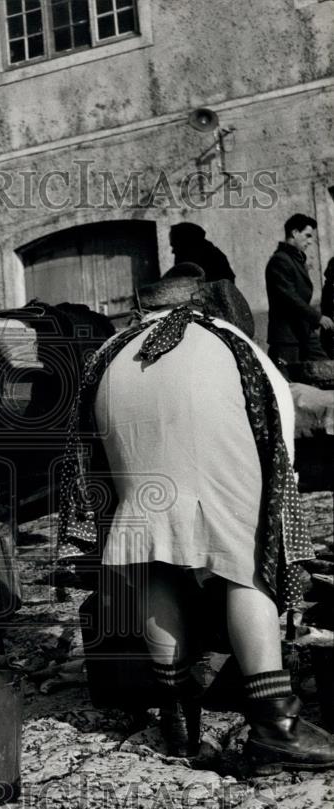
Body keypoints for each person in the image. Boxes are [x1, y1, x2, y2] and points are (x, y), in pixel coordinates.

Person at [58, 273, 334, 773]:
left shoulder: (113, 351)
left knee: (153, 558)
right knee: (245, 560)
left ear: (145, 308)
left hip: (121, 417)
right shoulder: (227, 340)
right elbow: (280, 447)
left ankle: (178, 724)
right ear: (209, 303)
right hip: (210, 425)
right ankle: (277, 726)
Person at [265, 214, 334, 369]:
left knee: (327, 370)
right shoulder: (280, 261)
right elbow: (289, 297)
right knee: (286, 385)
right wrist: (318, 317)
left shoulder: (296, 260)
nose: (310, 241)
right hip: (287, 339)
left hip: (305, 333)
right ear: (294, 233)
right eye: (307, 235)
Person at [169, 222, 235, 283]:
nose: (173, 251)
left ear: (187, 244)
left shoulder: (210, 258)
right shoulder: (212, 254)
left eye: (176, 246)